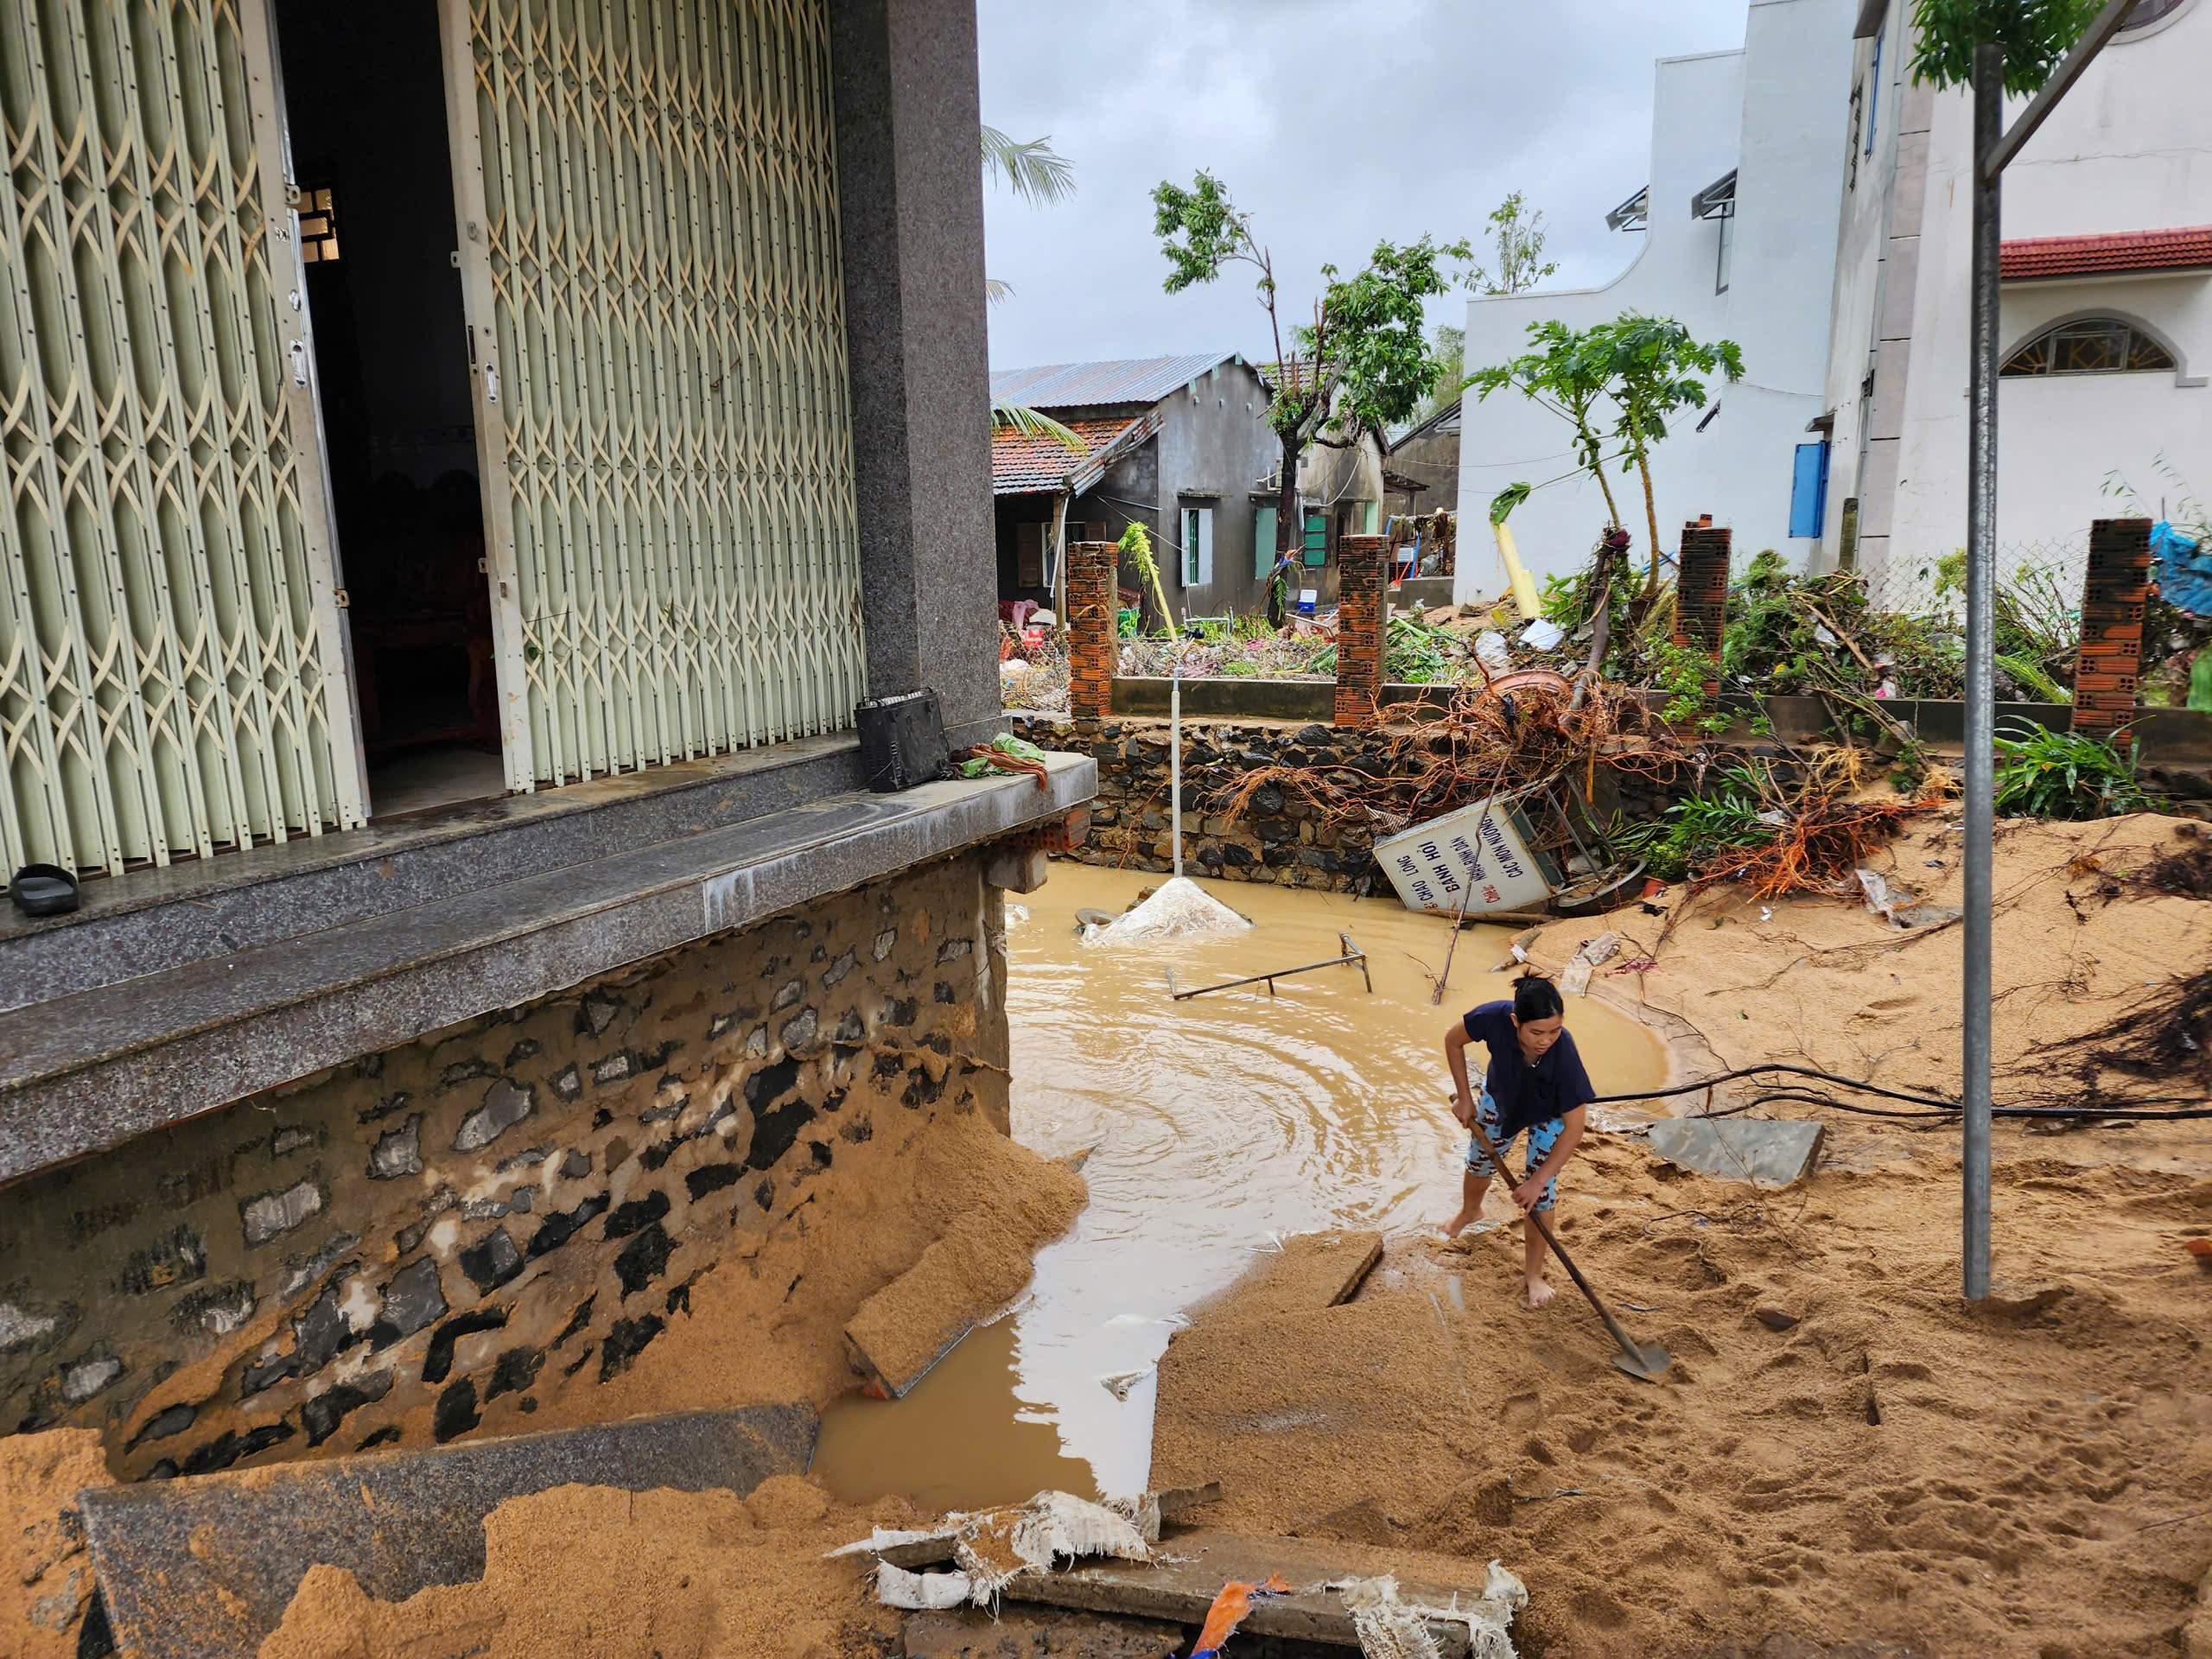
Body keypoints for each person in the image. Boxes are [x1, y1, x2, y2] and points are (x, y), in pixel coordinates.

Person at [1441, 973, 1595, 1308]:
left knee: (1541, 1197)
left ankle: (1534, 1275)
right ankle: (1470, 1211)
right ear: (1515, 1021)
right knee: (1479, 1160)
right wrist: (1465, 1099)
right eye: (1536, 1032)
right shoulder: (1493, 1017)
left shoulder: (1564, 1056)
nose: (1546, 1040)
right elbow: (1453, 1041)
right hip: (1502, 1098)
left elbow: (1574, 1129)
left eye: (1554, 1031)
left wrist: (1538, 1181)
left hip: (1549, 1115)